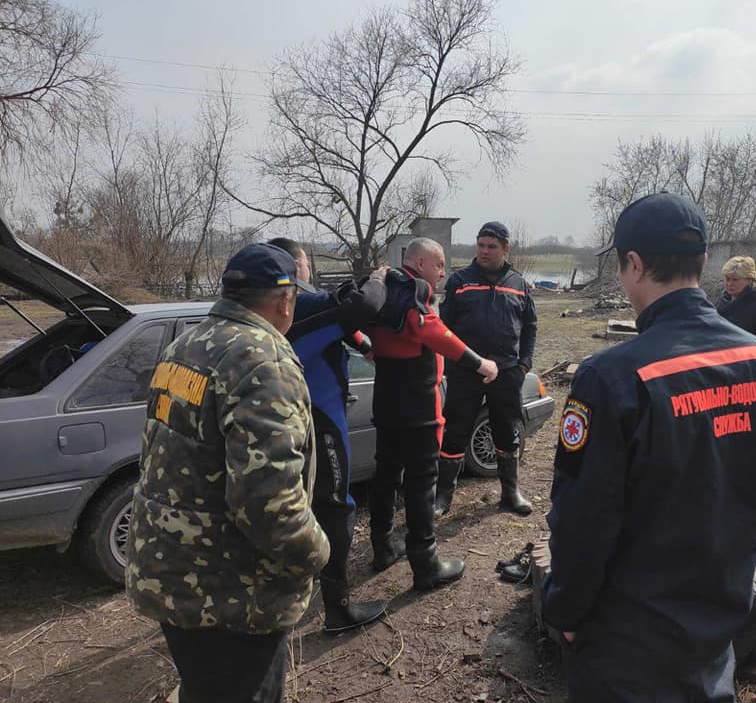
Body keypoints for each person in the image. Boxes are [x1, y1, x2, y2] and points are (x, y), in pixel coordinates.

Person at [542, 193, 756, 702]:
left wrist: (564, 610)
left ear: (632, 264)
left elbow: (583, 519)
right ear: (702, 262)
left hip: (626, 643)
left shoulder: (610, 378)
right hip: (715, 625)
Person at [127, 243, 330, 703]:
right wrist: (317, 552)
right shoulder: (263, 361)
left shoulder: (187, 344)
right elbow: (269, 504)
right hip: (232, 592)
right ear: (285, 300)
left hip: (171, 570)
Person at [267, 237, 388, 635]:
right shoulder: (305, 302)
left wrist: (360, 340)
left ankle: (287, 593)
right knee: (336, 506)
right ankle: (338, 609)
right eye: (306, 264)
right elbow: (363, 305)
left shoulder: (267, 309)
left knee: (289, 505)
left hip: (282, 419)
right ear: (295, 267)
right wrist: (377, 279)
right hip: (321, 419)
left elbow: (337, 327)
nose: (309, 272)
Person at [364, 238, 498, 590]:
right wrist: (480, 362)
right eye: (439, 265)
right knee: (422, 483)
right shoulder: (414, 292)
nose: (442, 273)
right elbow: (435, 334)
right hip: (418, 408)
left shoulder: (380, 289)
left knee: (386, 476)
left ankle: (382, 547)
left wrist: (367, 347)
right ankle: (426, 566)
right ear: (420, 263)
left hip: (387, 404)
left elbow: (354, 325)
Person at [436, 221, 537, 517]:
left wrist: (524, 365)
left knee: (507, 432)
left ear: (505, 249)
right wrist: (452, 363)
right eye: (481, 245)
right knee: (455, 431)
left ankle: (510, 493)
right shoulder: (460, 280)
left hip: (506, 371)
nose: (484, 251)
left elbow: (530, 326)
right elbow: (443, 327)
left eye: (491, 247)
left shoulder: (519, 284)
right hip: (466, 370)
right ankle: (443, 498)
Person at [715, 255, 756, 350]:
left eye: (735, 280)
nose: (730, 284)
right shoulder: (723, 300)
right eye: (727, 279)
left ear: (749, 279)